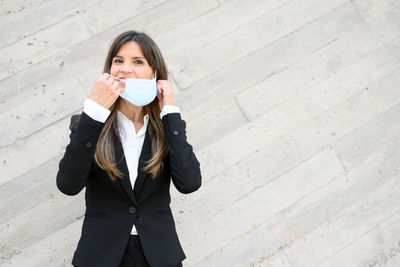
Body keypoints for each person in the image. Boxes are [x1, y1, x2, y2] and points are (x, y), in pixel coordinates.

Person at [56, 30, 202, 267]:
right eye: (118, 61)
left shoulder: (167, 128)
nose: (125, 69)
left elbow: (189, 183)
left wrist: (170, 113)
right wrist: (93, 113)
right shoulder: (89, 125)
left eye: (137, 61)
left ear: (154, 74)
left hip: (158, 255)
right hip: (101, 255)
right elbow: (68, 185)